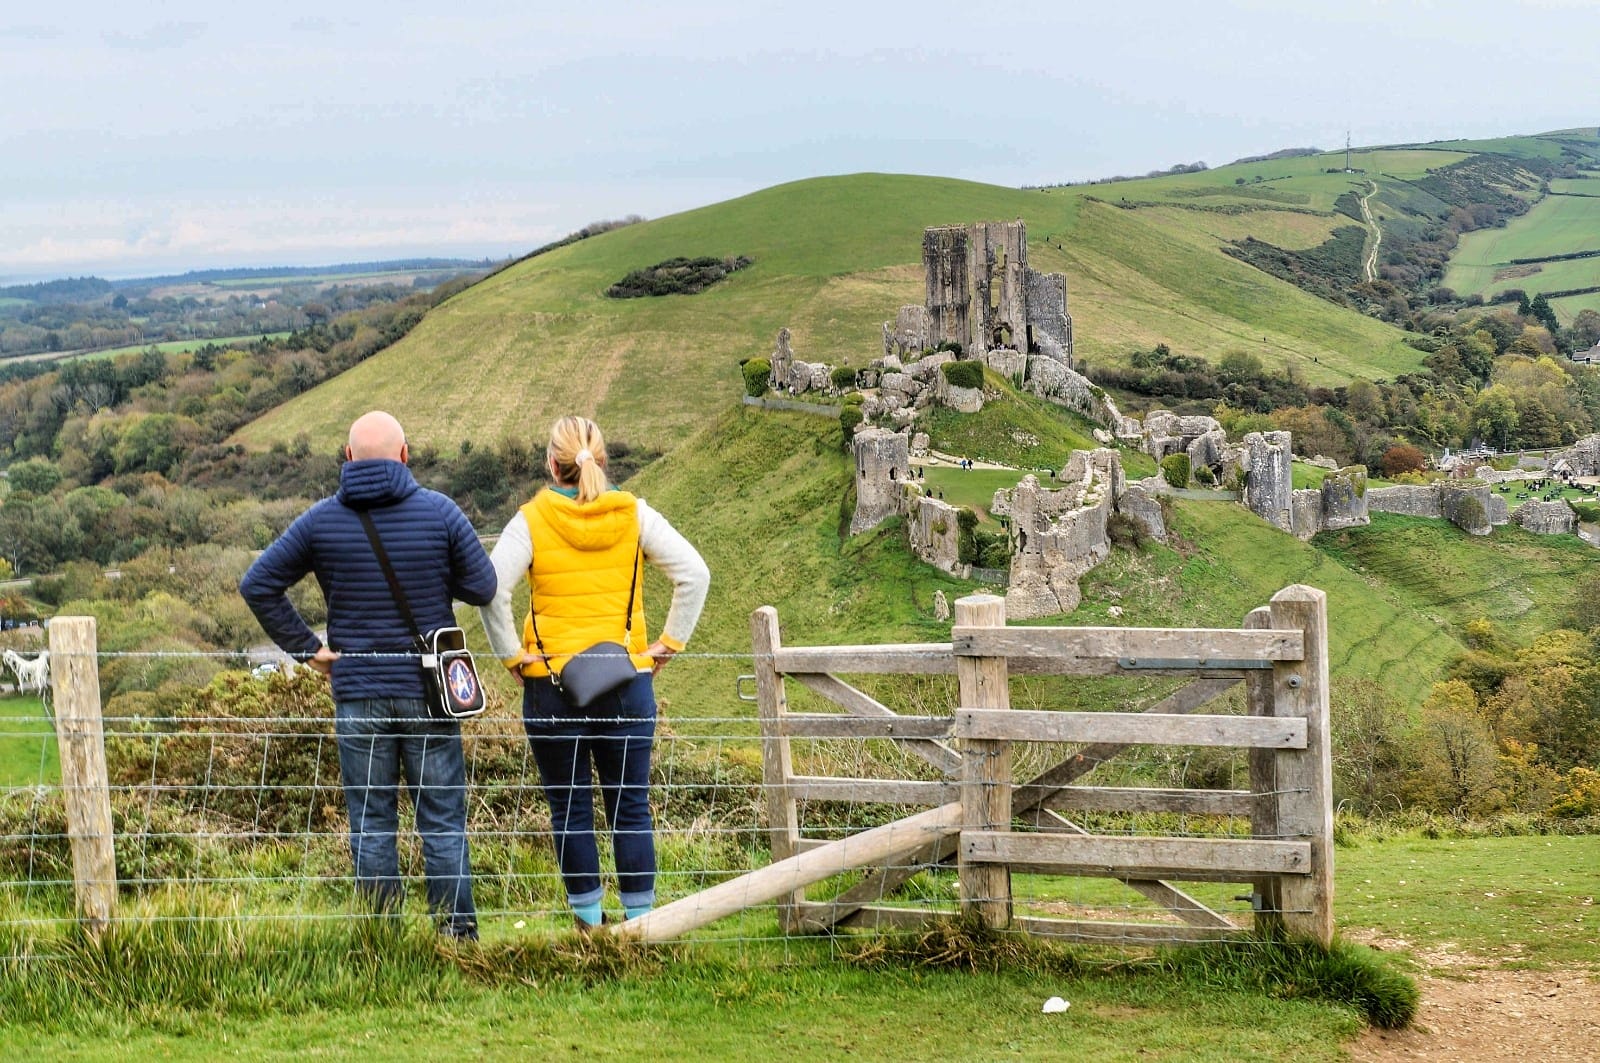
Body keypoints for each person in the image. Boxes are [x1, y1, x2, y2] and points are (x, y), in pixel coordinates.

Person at [240, 410, 496, 940]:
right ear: (405, 455)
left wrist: (308, 650)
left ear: (348, 457)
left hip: (358, 694)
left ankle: (383, 941)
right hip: (428, 691)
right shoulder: (440, 512)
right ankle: (457, 936)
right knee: (442, 821)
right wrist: (434, 576)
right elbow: (483, 586)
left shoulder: (320, 521)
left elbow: (258, 583)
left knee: (372, 824)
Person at [480, 415, 709, 931]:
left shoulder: (531, 520)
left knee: (569, 809)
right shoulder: (634, 513)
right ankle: (641, 925)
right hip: (626, 680)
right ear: (602, 460)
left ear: (551, 464)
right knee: (630, 807)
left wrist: (513, 656)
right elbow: (695, 574)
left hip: (552, 686)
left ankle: (589, 926)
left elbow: (492, 591)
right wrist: (668, 644)